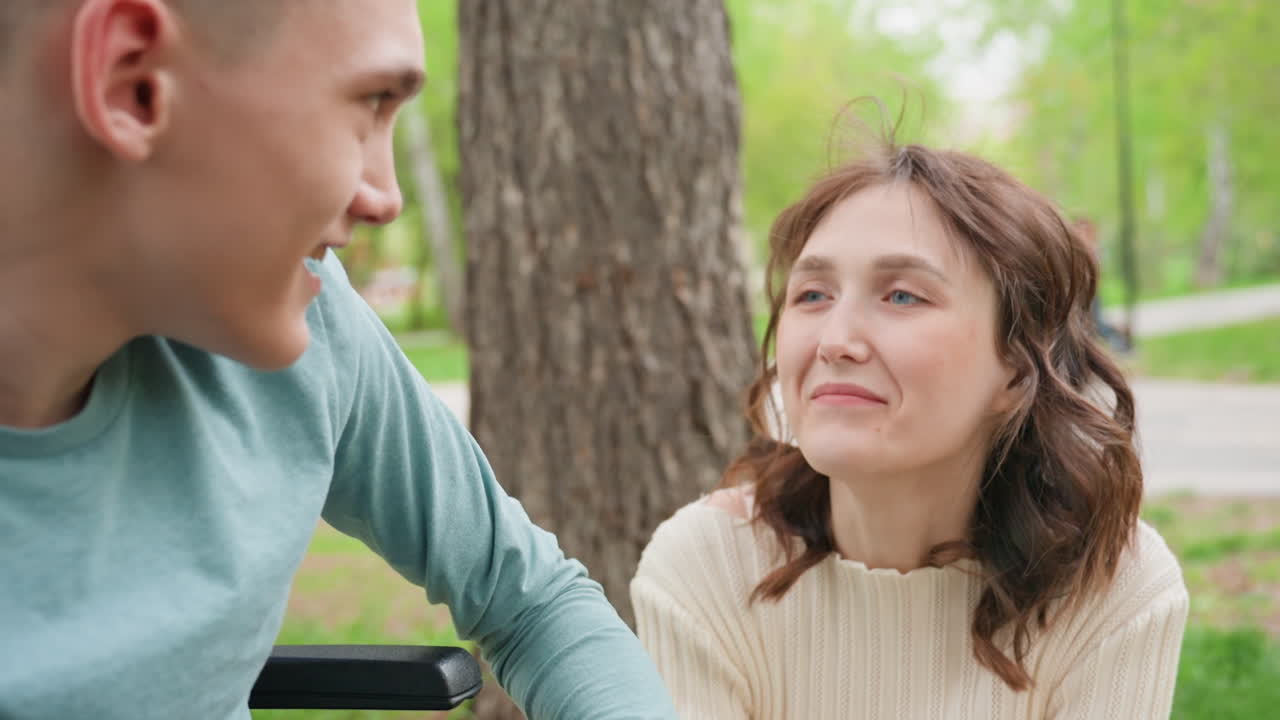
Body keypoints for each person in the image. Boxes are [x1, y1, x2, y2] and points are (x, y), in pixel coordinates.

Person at [0, 1, 676, 718]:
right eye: (369, 103)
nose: (386, 197)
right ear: (131, 84)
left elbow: (535, 603)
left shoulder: (301, 319)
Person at [632, 128, 1188, 718]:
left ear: (1019, 373)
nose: (835, 341)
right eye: (813, 294)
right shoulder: (710, 564)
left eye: (901, 296)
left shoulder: (1113, 588)